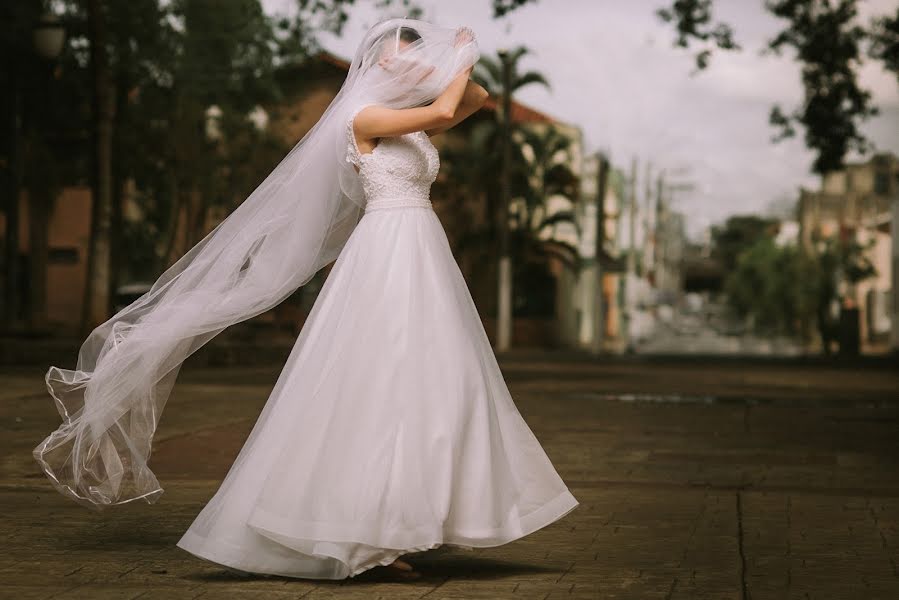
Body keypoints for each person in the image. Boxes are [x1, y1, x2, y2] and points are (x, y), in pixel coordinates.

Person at [33, 17, 578, 580]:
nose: (416, 64)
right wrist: (462, 52)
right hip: (386, 252)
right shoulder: (365, 118)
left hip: (423, 252)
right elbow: (446, 111)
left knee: (435, 376)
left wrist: (451, 67)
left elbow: (476, 98)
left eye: (419, 57)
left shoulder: (406, 124)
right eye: (403, 56)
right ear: (379, 63)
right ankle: (362, 531)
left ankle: (413, 519)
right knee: (377, 378)